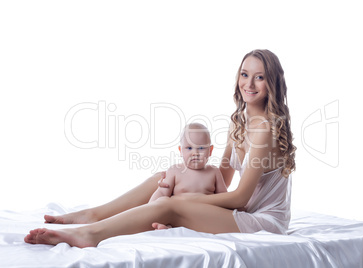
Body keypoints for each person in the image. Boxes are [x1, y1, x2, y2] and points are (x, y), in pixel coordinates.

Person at [24, 49, 296, 248]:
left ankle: (90, 235)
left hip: (263, 223)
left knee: (169, 204)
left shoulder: (265, 130)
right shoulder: (239, 121)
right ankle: (93, 214)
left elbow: (238, 199)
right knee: (165, 178)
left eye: (259, 77)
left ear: (272, 83)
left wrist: (184, 202)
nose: (249, 84)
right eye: (245, 74)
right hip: (244, 210)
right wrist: (183, 180)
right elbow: (221, 180)